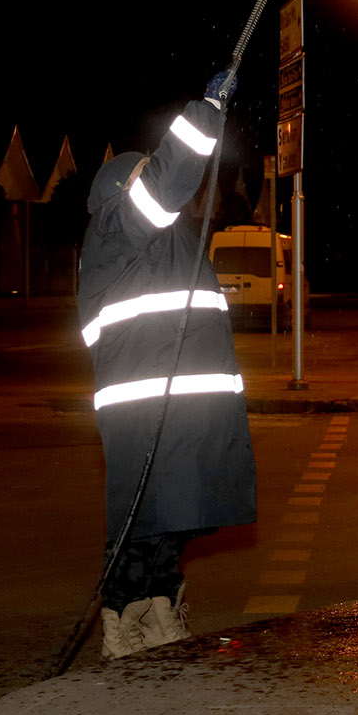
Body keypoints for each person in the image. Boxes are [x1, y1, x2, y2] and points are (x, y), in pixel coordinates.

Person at [77, 69, 257, 660]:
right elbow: (172, 175)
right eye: (138, 178)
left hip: (187, 408)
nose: (150, 188)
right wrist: (206, 110)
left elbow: (186, 183)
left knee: (174, 515)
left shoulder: (169, 241)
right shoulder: (116, 233)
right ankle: (120, 621)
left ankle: (159, 610)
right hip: (145, 406)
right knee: (141, 518)